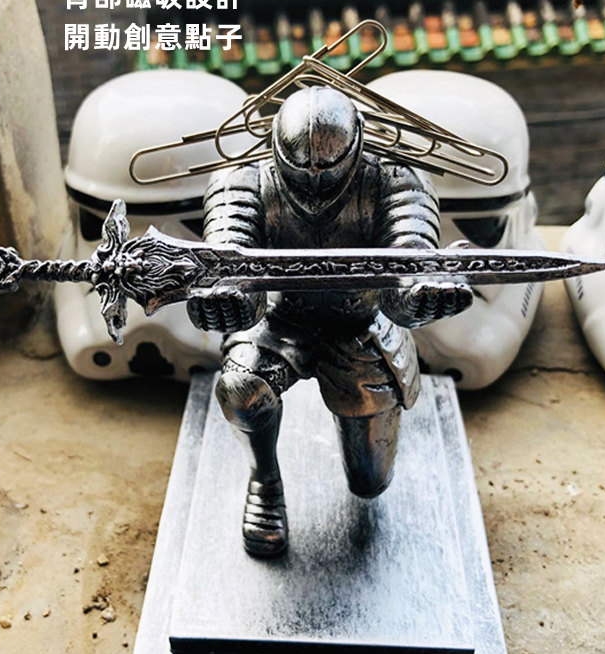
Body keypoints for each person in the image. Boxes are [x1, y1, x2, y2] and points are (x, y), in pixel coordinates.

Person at [187, 86, 473, 557]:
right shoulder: (242, 177)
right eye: (301, 169)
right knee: (241, 388)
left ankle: (364, 457)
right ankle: (264, 480)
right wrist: (225, 299)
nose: (316, 180)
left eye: (329, 167)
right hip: (282, 317)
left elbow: (408, 263)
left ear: (357, 145)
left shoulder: (396, 176)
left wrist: (419, 296)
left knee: (369, 483)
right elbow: (231, 260)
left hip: (360, 323)